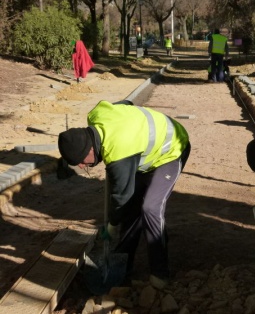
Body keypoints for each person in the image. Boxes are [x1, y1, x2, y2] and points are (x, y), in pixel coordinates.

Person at [57, 100, 190, 289]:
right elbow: (125, 103)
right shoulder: (95, 115)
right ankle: (124, 265)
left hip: (172, 149)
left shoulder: (118, 153)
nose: (81, 166)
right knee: (132, 210)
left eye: (80, 162)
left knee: (150, 207)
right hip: (144, 156)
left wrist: (112, 225)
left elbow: (121, 197)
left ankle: (160, 273)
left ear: (90, 149)